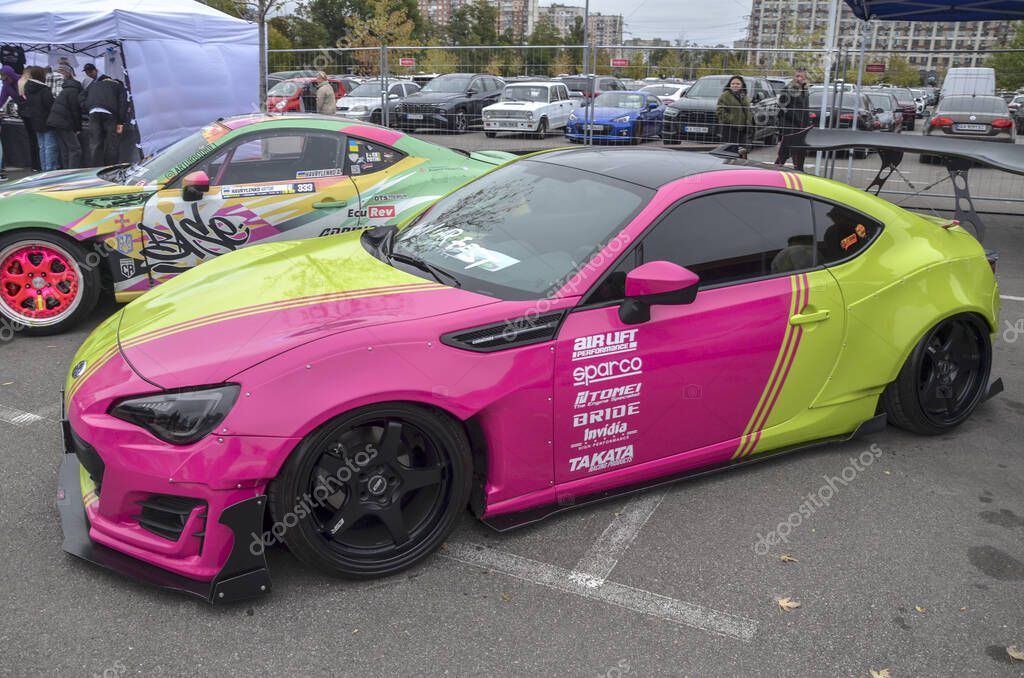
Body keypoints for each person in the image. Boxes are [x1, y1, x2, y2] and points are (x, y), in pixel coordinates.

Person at [81, 71, 126, 166]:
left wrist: (88, 107)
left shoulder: (93, 85)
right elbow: (123, 104)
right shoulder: (118, 86)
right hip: (110, 114)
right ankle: (110, 168)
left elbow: (81, 96)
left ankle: (95, 169)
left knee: (95, 143)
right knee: (112, 144)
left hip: (93, 113)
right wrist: (121, 122)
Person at [22, 66, 58, 171]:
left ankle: (44, 169)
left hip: (35, 120)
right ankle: (50, 170)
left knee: (42, 147)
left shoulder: (27, 87)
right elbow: (50, 105)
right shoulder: (44, 89)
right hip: (47, 120)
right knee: (50, 147)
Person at [47, 64, 83, 169]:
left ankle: (66, 172)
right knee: (75, 149)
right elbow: (75, 111)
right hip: (63, 122)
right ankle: (72, 172)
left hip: (55, 121)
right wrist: (78, 128)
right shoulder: (74, 91)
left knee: (64, 149)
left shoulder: (66, 90)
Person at [775, 68, 811, 172]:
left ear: (805, 79)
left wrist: (806, 123)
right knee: (785, 153)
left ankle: (800, 171)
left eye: (802, 77)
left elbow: (805, 108)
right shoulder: (788, 89)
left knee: (800, 153)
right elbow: (781, 106)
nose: (799, 79)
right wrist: (792, 118)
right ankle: (775, 171)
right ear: (794, 77)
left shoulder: (805, 90)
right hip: (790, 127)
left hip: (802, 127)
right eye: (797, 76)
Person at [716, 75, 752, 157]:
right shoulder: (725, 95)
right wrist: (731, 119)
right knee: (731, 150)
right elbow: (720, 111)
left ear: (742, 85)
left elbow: (748, 110)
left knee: (743, 151)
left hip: (743, 129)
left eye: (738, 84)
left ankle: (741, 167)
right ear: (729, 85)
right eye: (733, 83)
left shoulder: (744, 96)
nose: (735, 85)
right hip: (730, 128)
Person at [0, 64, 23, 180]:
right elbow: (2, 99)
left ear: (10, 75)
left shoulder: (21, 79)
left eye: (5, 77)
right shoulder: (6, 85)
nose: (4, 80)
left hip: (30, 109)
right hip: (23, 111)